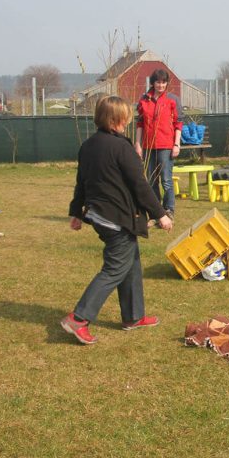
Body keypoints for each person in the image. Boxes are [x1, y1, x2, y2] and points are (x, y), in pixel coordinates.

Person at [61, 96, 173, 345]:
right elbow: (140, 187)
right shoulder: (122, 148)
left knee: (130, 260)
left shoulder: (88, 145)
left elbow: (82, 183)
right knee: (114, 268)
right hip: (116, 219)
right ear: (116, 120)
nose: (128, 121)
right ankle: (78, 318)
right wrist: (161, 215)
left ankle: (133, 316)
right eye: (124, 117)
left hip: (98, 215)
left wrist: (76, 213)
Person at [134, 69, 183, 220]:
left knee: (166, 180)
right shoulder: (144, 100)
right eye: (158, 82)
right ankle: (156, 212)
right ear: (153, 83)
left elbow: (178, 123)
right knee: (151, 180)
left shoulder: (172, 100)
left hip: (166, 145)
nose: (161, 85)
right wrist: (137, 143)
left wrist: (176, 144)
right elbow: (140, 123)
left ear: (167, 83)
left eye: (163, 82)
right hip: (148, 146)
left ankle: (169, 210)